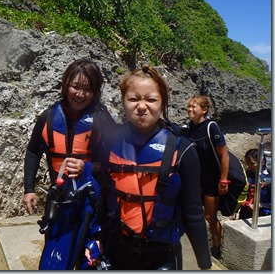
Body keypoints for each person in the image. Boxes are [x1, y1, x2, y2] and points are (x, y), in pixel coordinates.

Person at [87, 66, 212, 270]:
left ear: (162, 103)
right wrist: (95, 238)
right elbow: (103, 196)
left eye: (151, 99)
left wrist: (205, 264)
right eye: (134, 99)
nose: (142, 106)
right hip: (116, 249)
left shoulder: (184, 149)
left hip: (162, 255)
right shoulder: (109, 142)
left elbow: (193, 213)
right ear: (123, 102)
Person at [22, 58, 116, 270]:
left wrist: (88, 168)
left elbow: (116, 161)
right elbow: (33, 151)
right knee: (54, 258)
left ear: (96, 91)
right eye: (75, 86)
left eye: (87, 89)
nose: (80, 94)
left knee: (90, 258)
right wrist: (29, 189)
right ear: (66, 85)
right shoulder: (48, 117)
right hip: (60, 199)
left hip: (92, 203)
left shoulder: (102, 119)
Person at [181, 94, 229, 260]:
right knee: (192, 213)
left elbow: (224, 155)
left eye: (193, 107)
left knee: (209, 215)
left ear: (204, 110)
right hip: (196, 180)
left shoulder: (211, 127)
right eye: (188, 106)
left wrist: (223, 180)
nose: (189, 109)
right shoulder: (189, 128)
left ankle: (216, 246)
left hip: (212, 180)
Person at [238, 148, 271, 219]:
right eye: (248, 163)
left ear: (262, 162)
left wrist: (260, 205)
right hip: (246, 213)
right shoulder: (247, 176)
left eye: (252, 163)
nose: (249, 166)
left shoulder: (269, 179)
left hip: (264, 214)